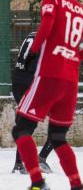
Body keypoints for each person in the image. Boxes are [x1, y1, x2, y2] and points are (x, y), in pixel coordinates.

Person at [12, 0, 83, 190]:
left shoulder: (51, 1)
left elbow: (48, 25)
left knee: (21, 129)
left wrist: (33, 52)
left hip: (49, 75)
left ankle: (37, 183)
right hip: (70, 81)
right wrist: (72, 57)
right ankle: (77, 188)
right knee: (58, 137)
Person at [11, 31, 54, 175]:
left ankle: (19, 163)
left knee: (25, 123)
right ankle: (40, 159)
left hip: (17, 81)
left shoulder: (32, 34)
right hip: (30, 83)